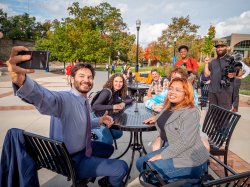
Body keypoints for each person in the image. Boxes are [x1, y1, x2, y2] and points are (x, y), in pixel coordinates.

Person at [7, 46, 128, 187]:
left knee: (108, 149)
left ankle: (86, 176)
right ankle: (99, 180)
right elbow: (45, 97)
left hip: (80, 150)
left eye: (89, 77)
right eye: (81, 76)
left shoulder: (83, 100)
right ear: (72, 79)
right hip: (71, 160)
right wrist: (21, 81)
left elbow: (82, 122)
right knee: (121, 167)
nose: (86, 80)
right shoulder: (65, 99)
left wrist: (99, 120)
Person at [137, 78, 209, 182]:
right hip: (176, 150)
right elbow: (168, 116)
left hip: (190, 159)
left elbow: (186, 142)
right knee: (140, 163)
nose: (172, 92)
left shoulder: (191, 112)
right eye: (171, 88)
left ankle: (184, 182)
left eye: (178, 90)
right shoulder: (171, 106)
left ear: (186, 94)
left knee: (149, 169)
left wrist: (162, 155)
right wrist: (157, 118)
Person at [91, 73, 133, 145]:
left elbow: (130, 99)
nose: (118, 84)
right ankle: (91, 138)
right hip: (96, 118)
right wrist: (113, 106)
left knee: (118, 133)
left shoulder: (118, 92)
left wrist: (123, 103)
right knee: (108, 141)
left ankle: (100, 137)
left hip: (107, 118)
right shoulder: (107, 92)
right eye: (116, 81)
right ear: (112, 82)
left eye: (120, 82)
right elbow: (95, 106)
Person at [204, 40, 243, 110]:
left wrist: (234, 74)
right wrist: (206, 64)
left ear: (227, 48)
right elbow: (207, 75)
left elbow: (240, 73)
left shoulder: (232, 59)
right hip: (212, 92)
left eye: (222, 46)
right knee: (213, 113)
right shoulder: (213, 61)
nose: (219, 48)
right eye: (218, 47)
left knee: (224, 115)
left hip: (225, 92)